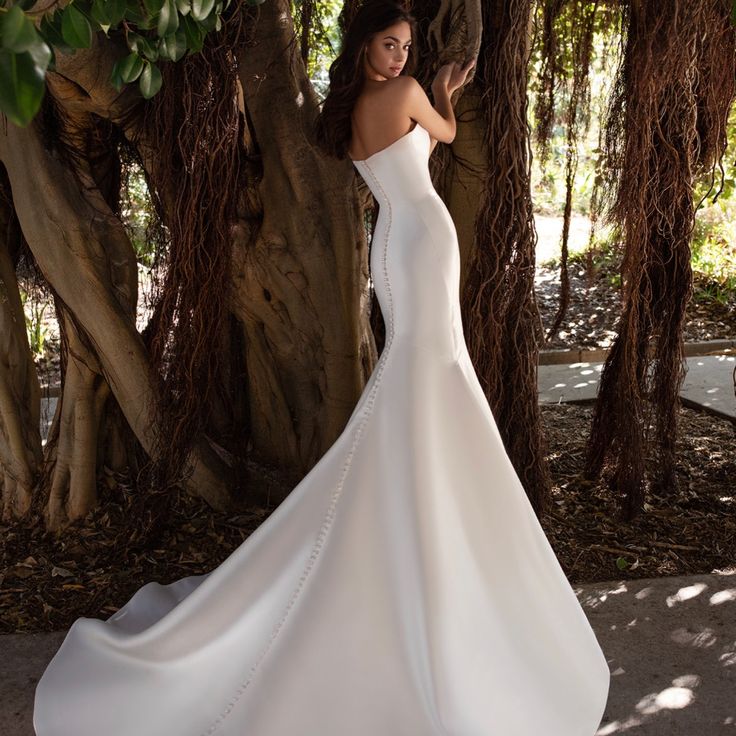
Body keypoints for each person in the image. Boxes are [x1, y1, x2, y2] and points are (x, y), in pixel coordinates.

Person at [33, 2, 610, 735]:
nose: (401, 57)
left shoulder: (352, 110)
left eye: (405, 48)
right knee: (428, 373)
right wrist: (448, 94)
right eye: (391, 45)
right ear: (366, 46)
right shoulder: (406, 97)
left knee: (418, 374)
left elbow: (399, 156)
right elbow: (448, 136)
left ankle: (410, 493)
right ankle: (418, 506)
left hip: (394, 244)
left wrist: (429, 93)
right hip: (422, 240)